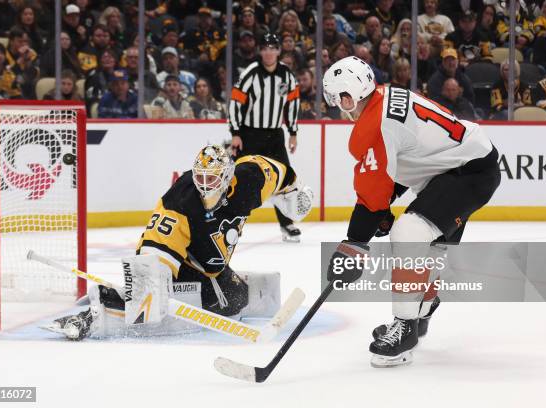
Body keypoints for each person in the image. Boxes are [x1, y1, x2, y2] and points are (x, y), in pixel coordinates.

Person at [322, 56, 500, 367]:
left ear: (349, 96)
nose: (337, 105)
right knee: (426, 242)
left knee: (410, 232)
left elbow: (374, 192)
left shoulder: (373, 126)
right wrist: (379, 212)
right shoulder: (384, 96)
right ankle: (420, 311)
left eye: (338, 98)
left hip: (465, 172)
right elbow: (407, 160)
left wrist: (354, 243)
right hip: (462, 161)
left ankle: (404, 328)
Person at [45, 145, 312, 340]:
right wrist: (151, 290)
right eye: (201, 178)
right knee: (159, 305)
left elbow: (281, 172)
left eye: (212, 179)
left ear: (229, 176)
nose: (205, 186)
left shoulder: (250, 179)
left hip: (210, 263)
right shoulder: (181, 201)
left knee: (237, 297)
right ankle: (102, 305)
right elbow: (153, 250)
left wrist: (295, 193)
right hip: (181, 261)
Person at [228, 33, 304, 242]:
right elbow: (236, 102)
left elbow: (293, 104)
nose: (269, 52)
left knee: (285, 179)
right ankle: (232, 223)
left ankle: (286, 223)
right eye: (265, 48)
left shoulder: (286, 75)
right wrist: (235, 133)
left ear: (279, 51)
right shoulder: (250, 73)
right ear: (260, 51)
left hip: (275, 136)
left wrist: (293, 133)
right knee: (241, 180)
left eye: (273, 48)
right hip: (250, 134)